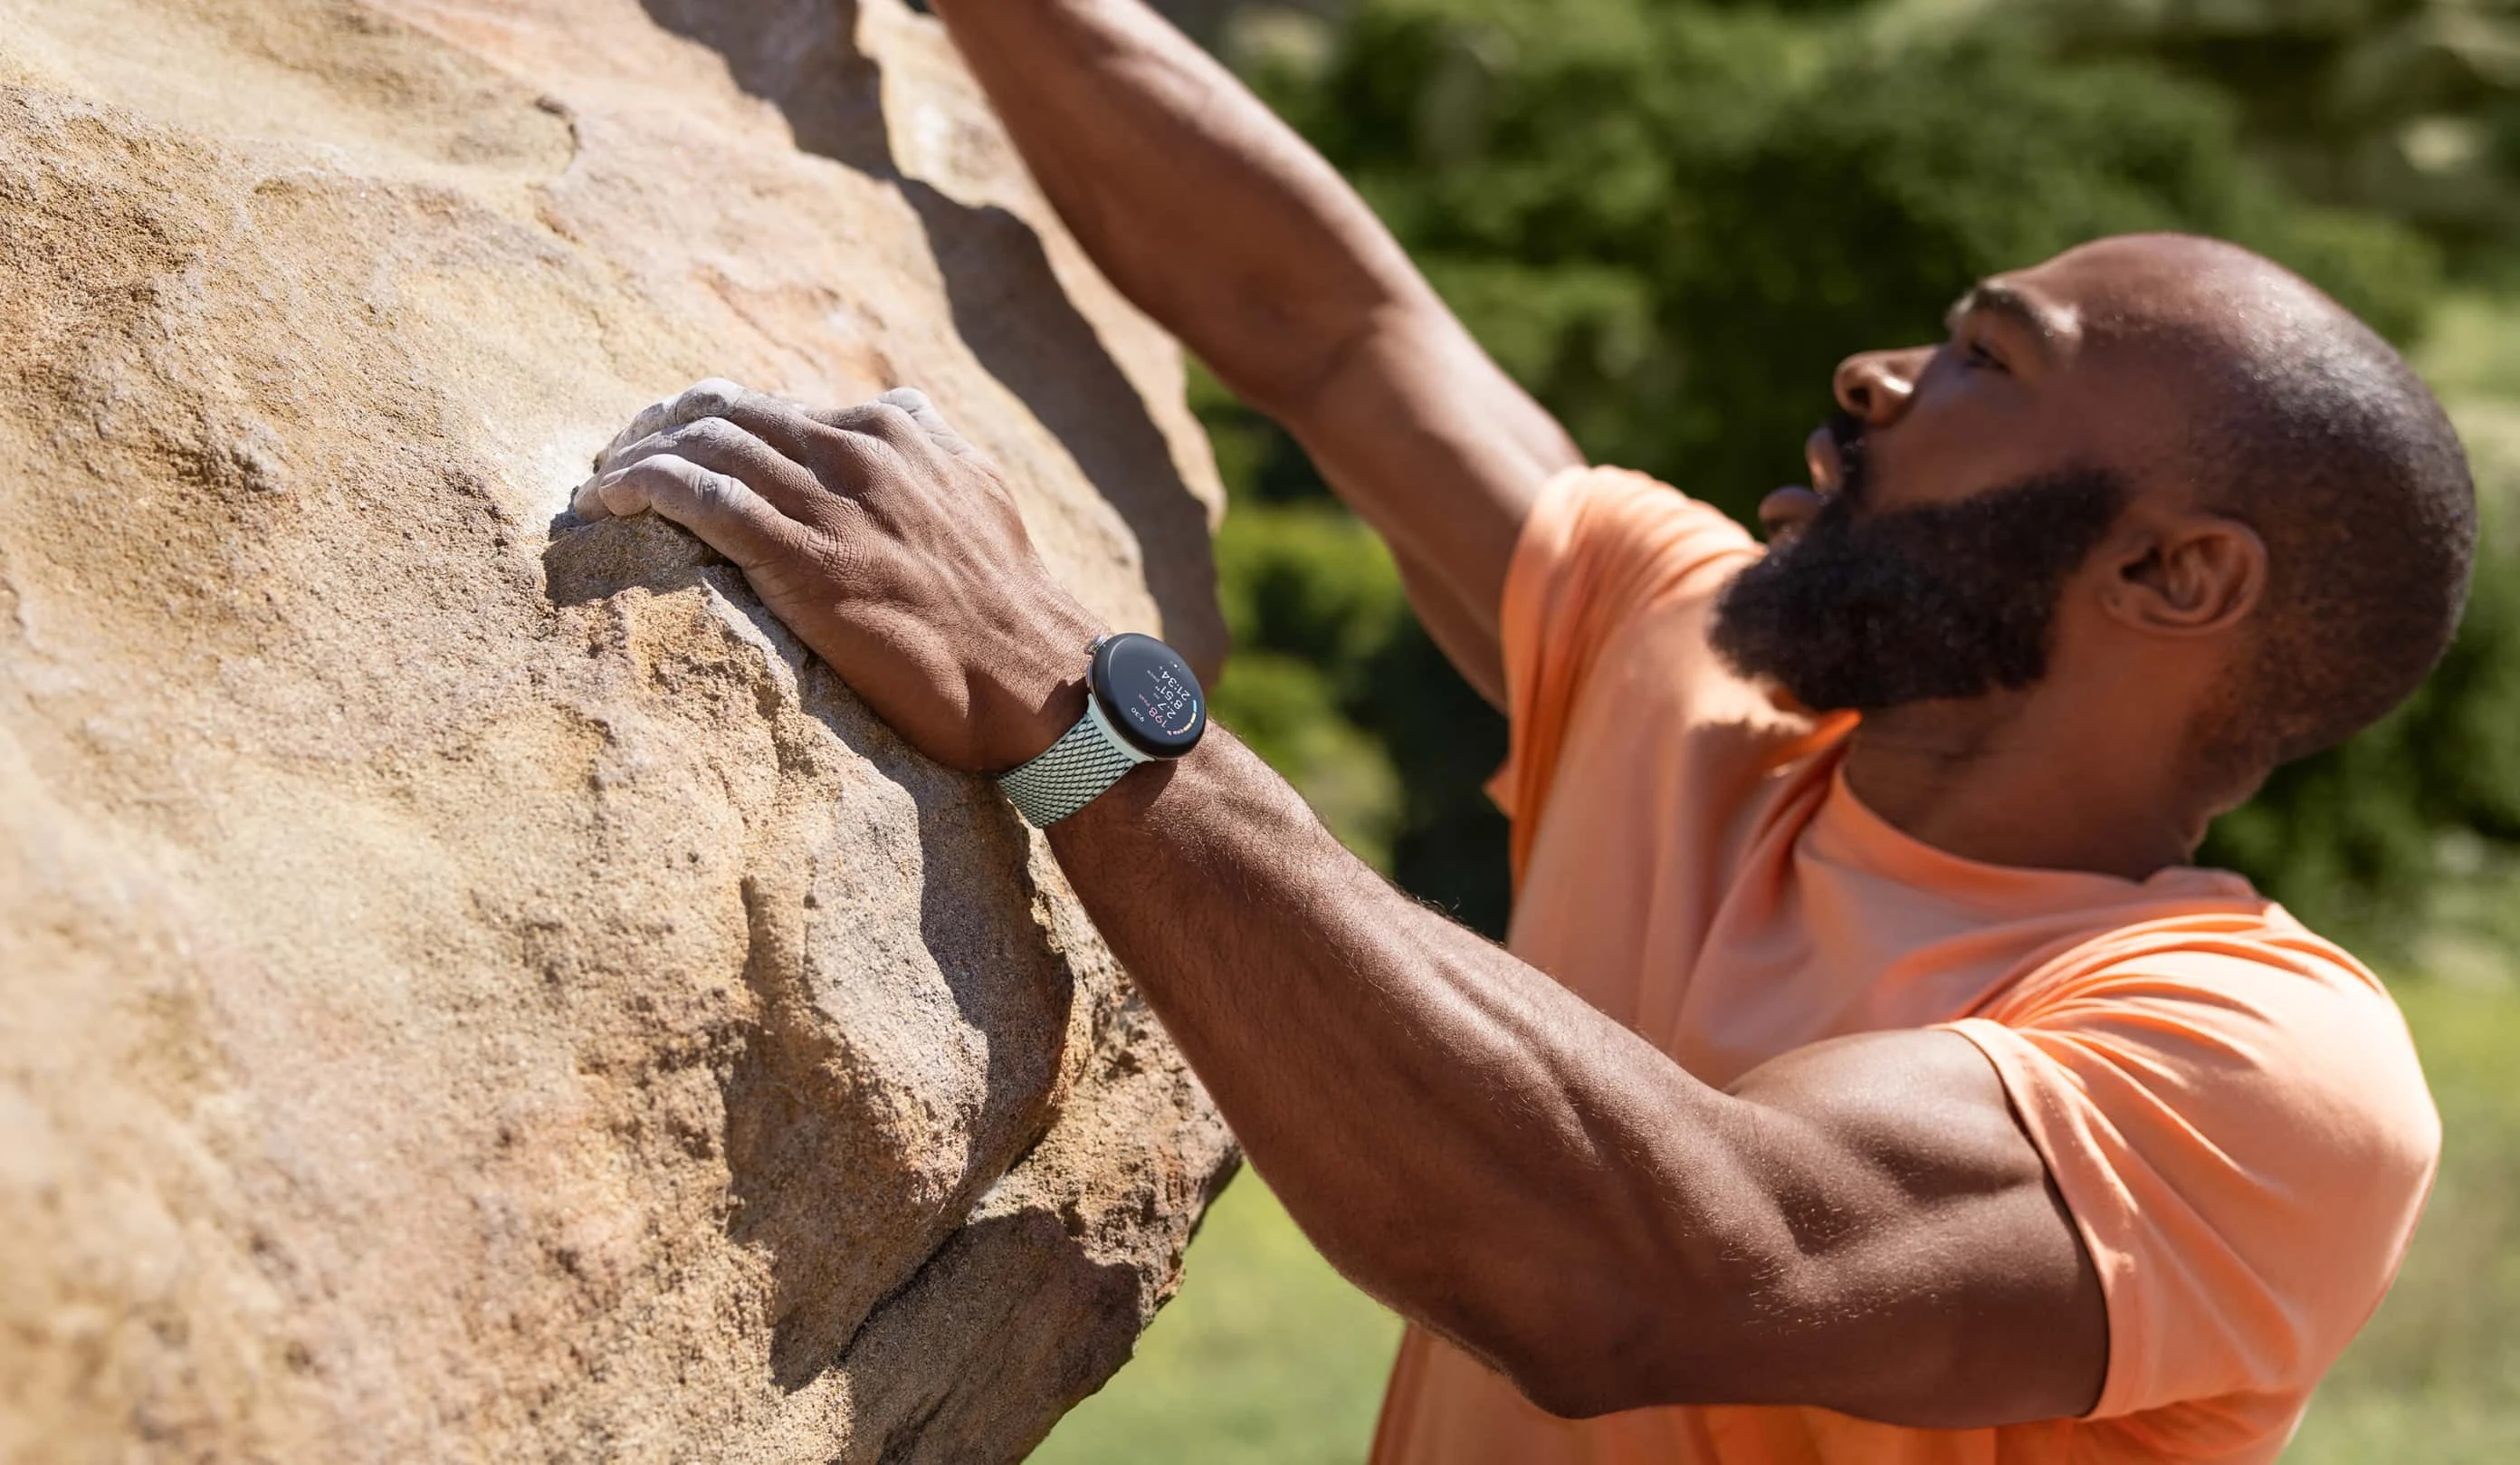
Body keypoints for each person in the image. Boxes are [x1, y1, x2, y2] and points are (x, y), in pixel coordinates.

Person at [564, 1, 2469, 1460]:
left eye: (1988, 359)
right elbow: (1327, 325)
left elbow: (1657, 1266)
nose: (1877, 370)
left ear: (2175, 577)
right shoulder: (1692, 675)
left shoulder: (2265, 1063)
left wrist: (1077, 704)